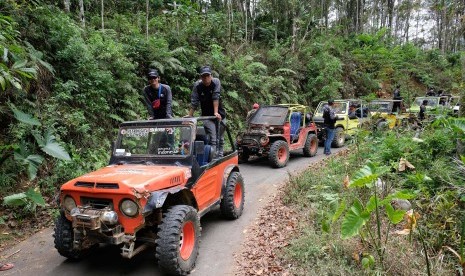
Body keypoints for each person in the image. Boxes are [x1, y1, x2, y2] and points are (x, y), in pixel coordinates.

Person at [187, 66, 227, 157]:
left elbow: (215, 97)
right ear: (201, 77)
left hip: (220, 115)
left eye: (207, 76)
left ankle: (220, 156)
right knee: (213, 138)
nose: (206, 78)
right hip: (207, 116)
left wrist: (216, 113)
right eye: (203, 76)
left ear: (211, 75)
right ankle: (213, 158)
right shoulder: (197, 86)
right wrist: (190, 115)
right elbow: (194, 101)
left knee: (220, 138)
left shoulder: (216, 82)